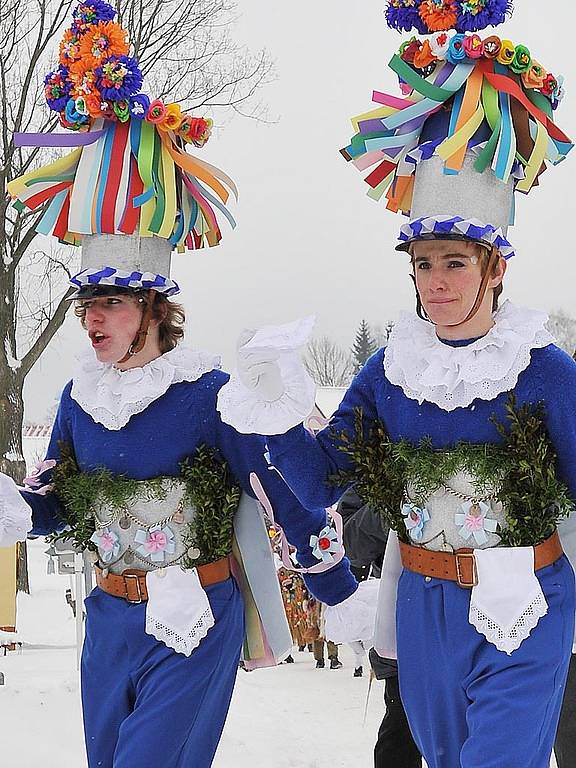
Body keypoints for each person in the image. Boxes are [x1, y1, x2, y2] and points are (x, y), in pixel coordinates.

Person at [0, 3, 374, 766]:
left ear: (153, 309)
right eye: (86, 303)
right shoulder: (79, 397)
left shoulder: (211, 393)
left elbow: (283, 494)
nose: (92, 320)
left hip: (197, 616)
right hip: (108, 618)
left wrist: (341, 596)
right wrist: (17, 509)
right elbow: (58, 498)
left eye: (109, 303)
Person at [217, 5, 576, 766]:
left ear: (495, 267)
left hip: (527, 603)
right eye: (423, 263)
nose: (437, 281)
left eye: (455, 262)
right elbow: (321, 480)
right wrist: (279, 410)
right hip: (422, 608)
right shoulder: (390, 371)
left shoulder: (542, 369)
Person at [339, 488, 421, 766]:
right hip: (409, 627)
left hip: (485, 621)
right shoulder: (375, 459)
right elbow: (349, 544)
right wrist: (394, 509)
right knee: (402, 732)